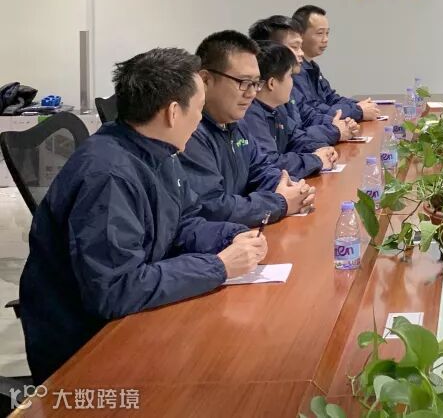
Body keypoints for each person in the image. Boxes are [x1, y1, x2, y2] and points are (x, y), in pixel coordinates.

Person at [19, 48, 266, 382]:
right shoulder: (110, 176)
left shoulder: (159, 150)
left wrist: (230, 236)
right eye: (198, 108)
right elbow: (115, 290)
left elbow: (183, 220)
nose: (200, 120)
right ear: (173, 112)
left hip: (133, 316)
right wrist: (219, 266)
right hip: (87, 348)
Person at [181, 30, 315, 226]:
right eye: (243, 83)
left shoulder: (235, 123)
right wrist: (280, 202)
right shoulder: (189, 133)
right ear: (206, 80)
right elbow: (213, 207)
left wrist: (291, 187)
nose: (252, 93)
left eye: (255, 83)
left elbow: (261, 170)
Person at [249, 15, 358, 144]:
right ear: (273, 49)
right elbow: (290, 141)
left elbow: (306, 117)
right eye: (295, 47)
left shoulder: (294, 80)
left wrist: (338, 124)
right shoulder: (254, 106)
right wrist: (334, 130)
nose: (301, 53)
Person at [244, 41, 338, 179]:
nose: (292, 83)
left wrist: (321, 149)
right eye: (290, 76)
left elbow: (295, 138)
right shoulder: (251, 114)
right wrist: (315, 160)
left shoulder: (278, 108)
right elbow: (271, 162)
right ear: (272, 83)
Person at [292, 5, 379, 122]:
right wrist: (357, 111)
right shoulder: (295, 70)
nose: (325, 39)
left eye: (327, 33)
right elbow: (313, 109)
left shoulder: (312, 66)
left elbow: (330, 98)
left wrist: (359, 105)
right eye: (320, 33)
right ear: (300, 35)